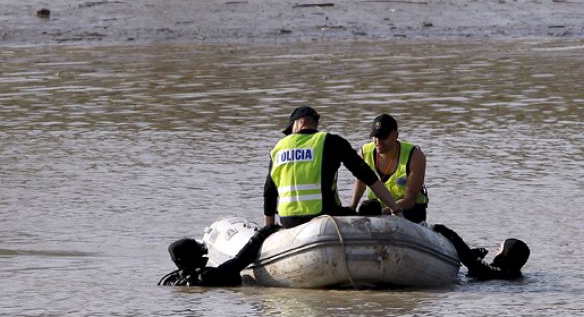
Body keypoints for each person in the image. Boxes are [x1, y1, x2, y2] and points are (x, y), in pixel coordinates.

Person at [264, 106, 402, 228]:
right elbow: (368, 177)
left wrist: (268, 229)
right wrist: (395, 209)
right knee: (370, 208)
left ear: (301, 122)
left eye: (291, 129)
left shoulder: (278, 148)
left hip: (288, 221)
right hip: (324, 217)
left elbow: (269, 191)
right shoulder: (330, 141)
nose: (291, 134)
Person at [349, 114, 429, 223]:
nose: (378, 142)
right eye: (375, 136)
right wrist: (352, 208)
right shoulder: (364, 153)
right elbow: (361, 183)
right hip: (378, 210)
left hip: (408, 211)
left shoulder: (415, 156)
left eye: (383, 137)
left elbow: (409, 201)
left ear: (395, 135)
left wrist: (383, 213)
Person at [158, 224, 281, 286]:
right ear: (192, 256)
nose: (203, 254)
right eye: (199, 251)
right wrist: (260, 235)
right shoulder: (206, 276)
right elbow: (240, 261)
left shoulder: (169, 280)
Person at [433, 224, 530, 280]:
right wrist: (476, 255)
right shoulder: (511, 274)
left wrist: (447, 232)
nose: (496, 250)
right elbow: (475, 263)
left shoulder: (499, 273)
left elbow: (471, 261)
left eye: (500, 248)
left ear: (507, 253)